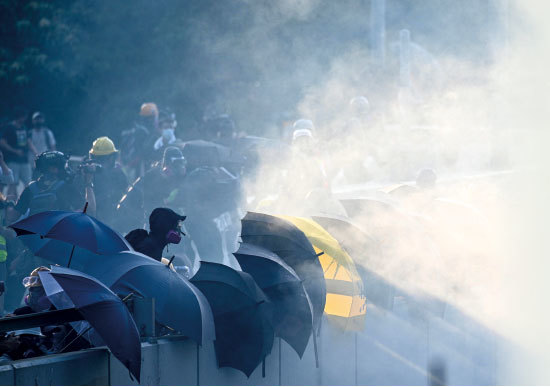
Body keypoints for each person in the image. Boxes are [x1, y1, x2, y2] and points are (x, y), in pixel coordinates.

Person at [12, 151, 95, 220]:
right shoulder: (65, 187)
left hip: (37, 237)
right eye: (64, 166)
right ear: (53, 169)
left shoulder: (30, 189)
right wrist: (88, 182)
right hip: (60, 236)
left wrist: (8, 203)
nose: (66, 169)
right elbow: (90, 211)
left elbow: (12, 217)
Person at [84, 137, 128, 226]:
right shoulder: (88, 174)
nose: (97, 164)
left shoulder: (118, 174)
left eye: (101, 159)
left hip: (113, 220)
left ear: (111, 158)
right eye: (95, 159)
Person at [0, 107, 32, 198]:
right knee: (13, 182)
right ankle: (12, 202)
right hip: (12, 160)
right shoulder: (9, 127)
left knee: (28, 182)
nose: (25, 119)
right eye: (24, 117)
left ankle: (27, 200)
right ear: (20, 117)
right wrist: (14, 151)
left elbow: (28, 141)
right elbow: (2, 142)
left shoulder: (24, 127)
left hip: (24, 160)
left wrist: (35, 152)